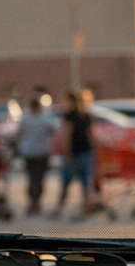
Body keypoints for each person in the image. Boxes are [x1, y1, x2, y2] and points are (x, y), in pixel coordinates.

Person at [55, 89, 96, 219]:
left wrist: (66, 152)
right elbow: (91, 135)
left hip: (74, 152)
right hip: (87, 151)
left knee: (66, 182)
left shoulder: (69, 115)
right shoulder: (87, 115)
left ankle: (58, 210)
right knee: (86, 183)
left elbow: (66, 135)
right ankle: (85, 211)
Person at [15, 94, 58, 215]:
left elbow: (18, 134)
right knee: (39, 178)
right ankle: (36, 202)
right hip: (42, 152)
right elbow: (54, 130)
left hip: (28, 152)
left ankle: (32, 202)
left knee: (31, 177)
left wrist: (17, 149)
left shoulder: (25, 119)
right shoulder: (45, 119)